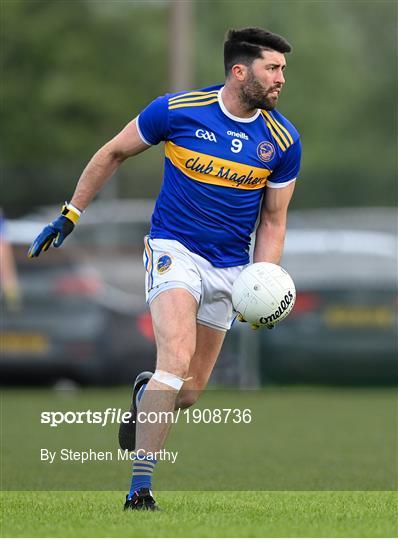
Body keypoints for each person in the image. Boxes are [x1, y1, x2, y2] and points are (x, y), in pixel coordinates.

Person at [29, 27, 301, 511]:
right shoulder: (176, 111)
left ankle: (143, 393)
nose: (282, 78)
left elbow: (274, 220)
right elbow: (112, 152)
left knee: (188, 392)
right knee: (173, 364)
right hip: (174, 249)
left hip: (231, 267)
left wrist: (261, 279)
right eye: (273, 68)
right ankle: (140, 489)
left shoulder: (282, 141)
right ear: (240, 71)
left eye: (283, 69)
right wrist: (71, 214)